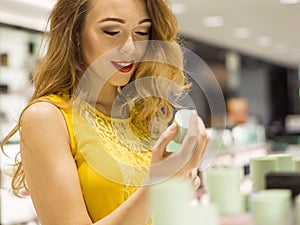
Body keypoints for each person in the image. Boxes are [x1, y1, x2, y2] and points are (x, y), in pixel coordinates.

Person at [1, 0, 210, 224]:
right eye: (111, 31)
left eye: (141, 31)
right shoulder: (47, 118)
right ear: (74, 35)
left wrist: (176, 188)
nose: (130, 46)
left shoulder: (138, 115)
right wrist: (157, 186)